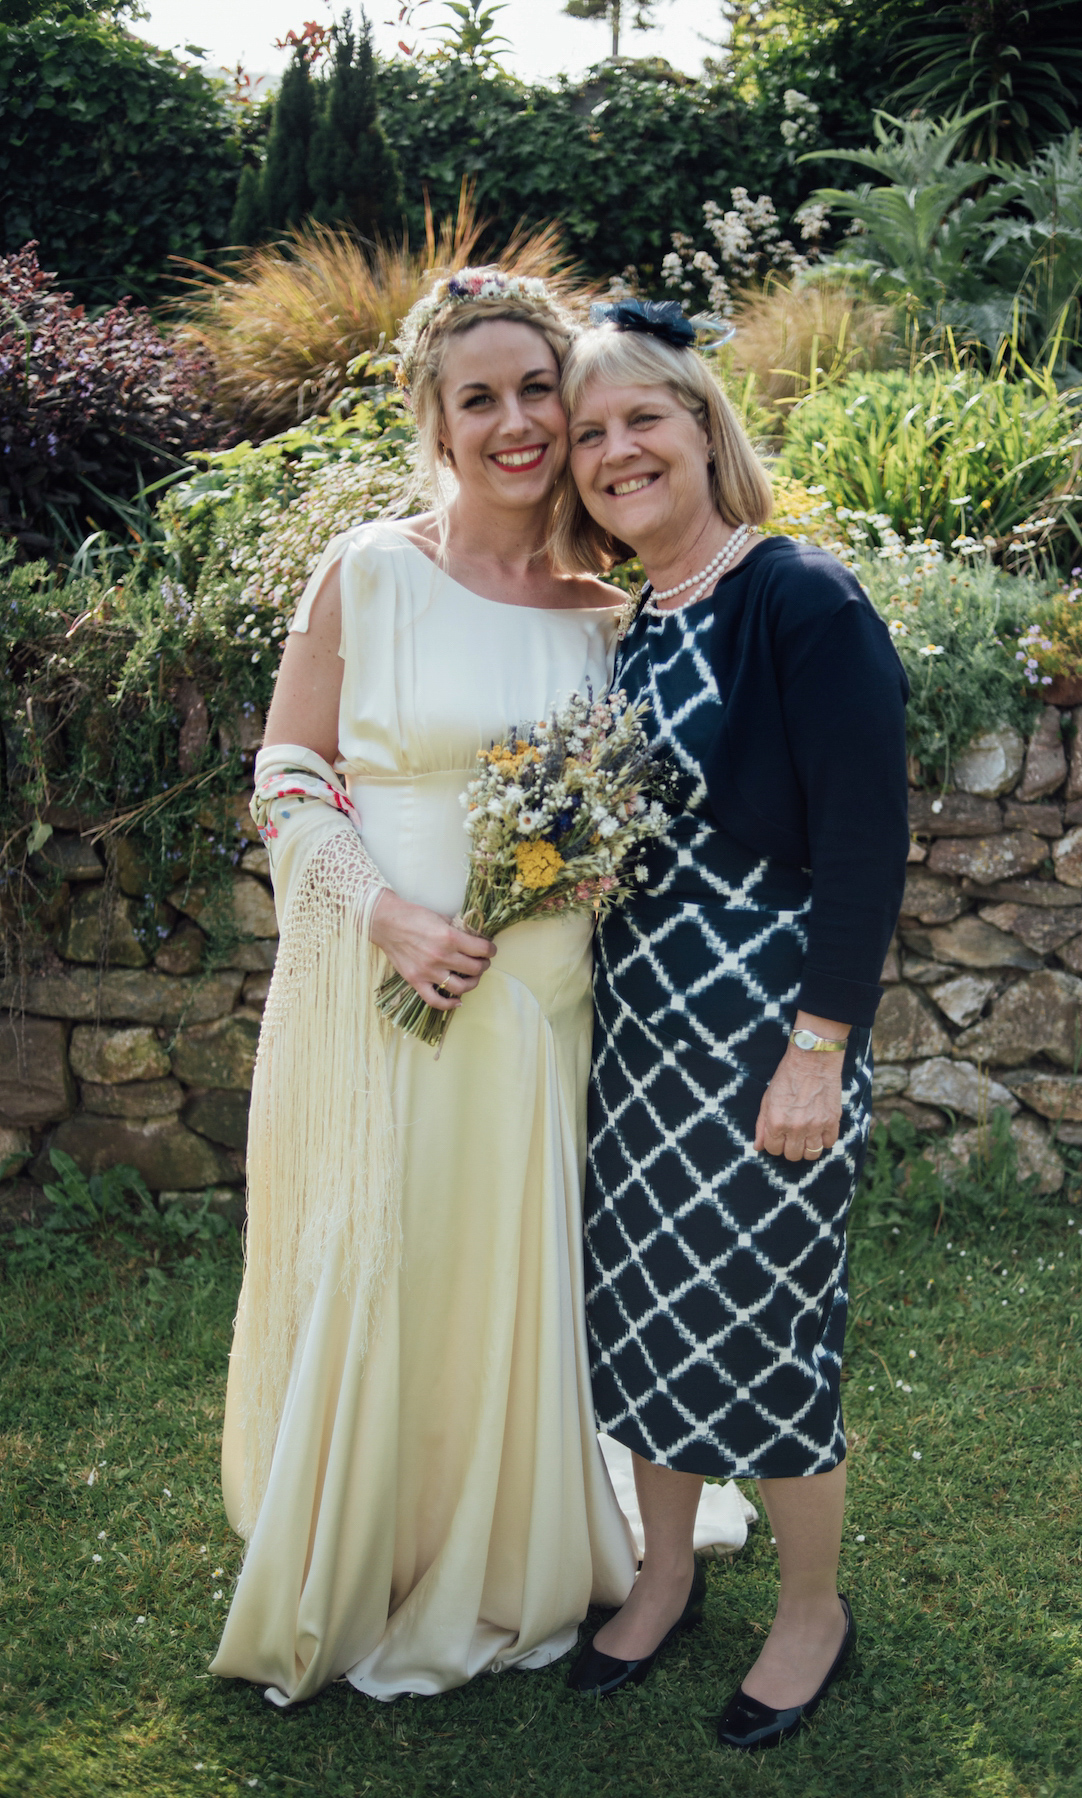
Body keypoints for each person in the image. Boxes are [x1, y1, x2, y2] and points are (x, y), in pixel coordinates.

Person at [210, 269, 641, 1706]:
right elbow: (284, 775)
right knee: (379, 1254)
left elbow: (617, 808)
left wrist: (582, 874)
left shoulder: (605, 610)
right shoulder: (369, 570)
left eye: (539, 390)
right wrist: (384, 917)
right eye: (482, 398)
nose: (517, 422)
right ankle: (367, 1547)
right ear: (436, 422)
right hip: (384, 986)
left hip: (542, 996)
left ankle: (510, 1546)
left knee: (512, 1268)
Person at [553, 302, 910, 1751]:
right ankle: (659, 1573)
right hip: (638, 1040)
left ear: (704, 422)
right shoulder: (636, 616)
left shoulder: (799, 598)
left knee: (769, 1328)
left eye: (643, 416)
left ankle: (811, 1606)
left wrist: (818, 1045)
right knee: (636, 1315)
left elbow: (868, 841)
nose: (615, 448)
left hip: (768, 1037)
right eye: (588, 433)